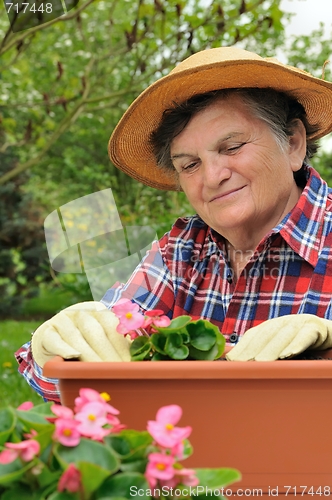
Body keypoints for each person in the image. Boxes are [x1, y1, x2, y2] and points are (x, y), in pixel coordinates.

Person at [16, 46, 332, 402]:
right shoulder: (181, 252)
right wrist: (55, 350)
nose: (212, 177)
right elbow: (57, 373)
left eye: (231, 147)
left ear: (293, 143)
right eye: (190, 165)